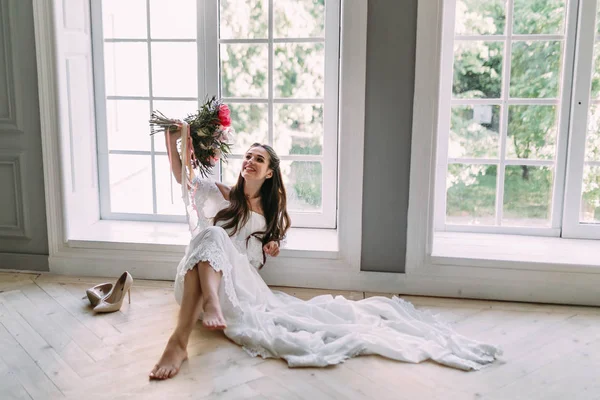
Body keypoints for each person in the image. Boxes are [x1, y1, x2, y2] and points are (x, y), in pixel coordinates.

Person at [149, 131, 501, 380]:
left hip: (239, 290)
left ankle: (179, 342)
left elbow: (264, 251)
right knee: (208, 234)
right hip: (198, 285)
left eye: (259, 159)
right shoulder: (222, 195)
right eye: (248, 156)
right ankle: (206, 303)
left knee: (210, 237)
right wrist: (172, 139)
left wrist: (272, 245)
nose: (251, 161)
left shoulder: (273, 218)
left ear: (270, 172)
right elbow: (184, 175)